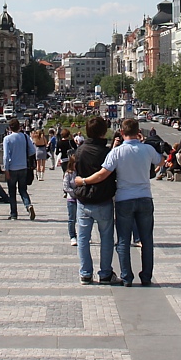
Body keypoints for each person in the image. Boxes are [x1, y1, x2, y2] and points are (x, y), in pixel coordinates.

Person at [81, 117, 160, 287]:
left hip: (124, 199)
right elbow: (161, 161)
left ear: (122, 132)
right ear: (138, 132)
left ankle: (127, 277)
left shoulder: (116, 152)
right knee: (147, 239)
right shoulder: (148, 149)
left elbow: (103, 174)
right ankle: (146, 276)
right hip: (145, 197)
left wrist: (84, 181)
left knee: (123, 240)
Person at [71, 117, 118, 285]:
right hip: (103, 199)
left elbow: (73, 171)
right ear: (103, 132)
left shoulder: (79, 151)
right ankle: (105, 273)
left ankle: (85, 273)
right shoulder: (107, 152)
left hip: (83, 199)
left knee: (83, 238)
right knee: (106, 238)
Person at [1, 118, 36, 220]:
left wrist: (6, 169)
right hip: (23, 166)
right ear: (19, 127)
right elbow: (33, 150)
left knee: (12, 191)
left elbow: (6, 156)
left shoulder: (7, 139)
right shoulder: (25, 137)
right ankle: (28, 205)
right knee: (23, 190)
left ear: (9, 128)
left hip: (12, 168)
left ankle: (13, 214)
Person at [62, 157, 78, 246]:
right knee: (72, 219)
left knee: (82, 219)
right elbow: (65, 187)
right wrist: (75, 192)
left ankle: (83, 235)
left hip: (81, 199)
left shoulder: (81, 172)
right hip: (71, 199)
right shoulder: (68, 173)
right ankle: (72, 236)